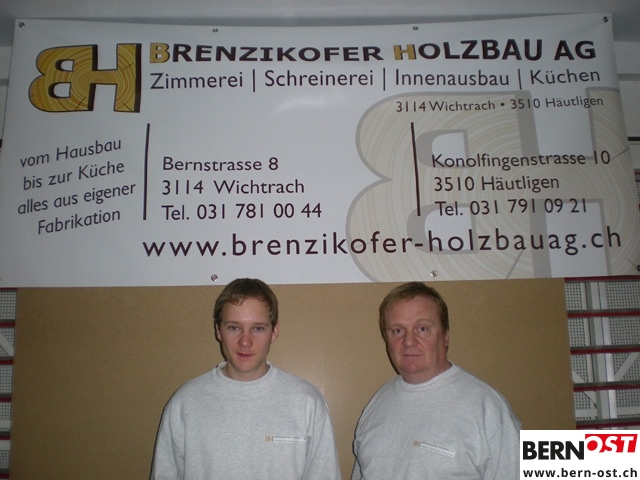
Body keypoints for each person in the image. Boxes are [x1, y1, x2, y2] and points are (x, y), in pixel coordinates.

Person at [151, 278, 341, 480]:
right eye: (234, 327)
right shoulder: (185, 403)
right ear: (218, 330)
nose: (245, 341)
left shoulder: (307, 402)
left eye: (257, 328)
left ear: (274, 332)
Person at [351, 282, 520, 480]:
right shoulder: (377, 404)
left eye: (422, 328)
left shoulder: (488, 408)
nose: (409, 341)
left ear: (446, 336)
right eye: (397, 330)